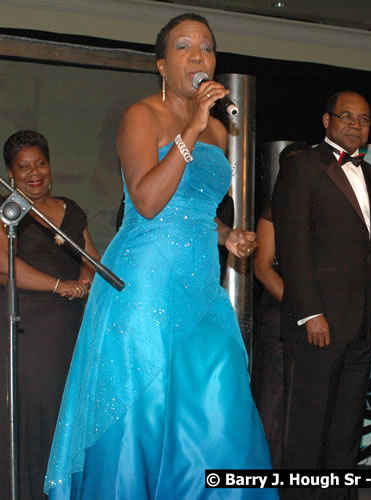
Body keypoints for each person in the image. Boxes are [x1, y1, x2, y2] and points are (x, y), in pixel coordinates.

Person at [44, 13, 275, 499]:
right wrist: (189, 131)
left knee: (221, 398)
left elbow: (189, 207)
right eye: (184, 47)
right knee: (146, 413)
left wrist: (226, 235)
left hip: (201, 284)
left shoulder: (217, 132)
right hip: (145, 282)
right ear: (161, 65)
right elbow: (147, 202)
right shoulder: (142, 116)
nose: (199, 56)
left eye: (207, 47)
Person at [272, 90, 371, 498]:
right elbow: (292, 246)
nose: (356, 125)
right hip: (318, 323)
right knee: (307, 432)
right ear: (326, 121)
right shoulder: (302, 167)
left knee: (346, 432)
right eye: (346, 116)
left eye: (364, 119)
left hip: (362, 325)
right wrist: (310, 312)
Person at [0, 130, 99, 500]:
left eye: (40, 163)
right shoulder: (6, 211)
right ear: (11, 174)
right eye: (23, 166)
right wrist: (60, 285)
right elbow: (4, 264)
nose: (34, 172)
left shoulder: (70, 209)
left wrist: (86, 278)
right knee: (34, 414)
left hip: (70, 329)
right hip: (27, 328)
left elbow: (90, 258)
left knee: (66, 411)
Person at [252, 140, 309, 469]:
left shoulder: (322, 205)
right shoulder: (275, 207)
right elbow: (262, 267)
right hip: (282, 313)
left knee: (306, 405)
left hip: (321, 317)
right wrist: (303, 308)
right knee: (275, 400)